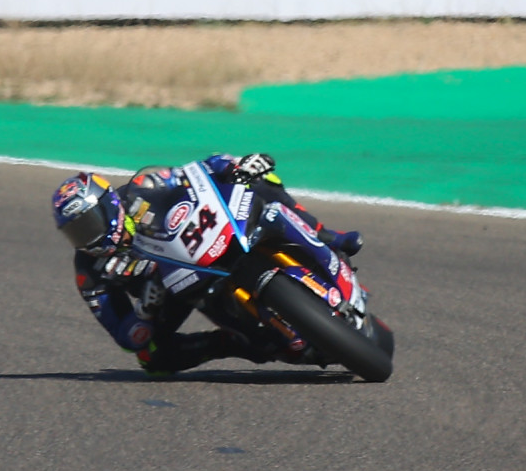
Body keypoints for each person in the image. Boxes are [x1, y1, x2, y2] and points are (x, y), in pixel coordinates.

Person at [53, 153, 363, 375]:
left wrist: (235, 166)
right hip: (171, 293)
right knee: (151, 358)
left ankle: (327, 236)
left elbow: (196, 172)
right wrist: (145, 311)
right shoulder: (89, 272)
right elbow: (126, 337)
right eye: (76, 233)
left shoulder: (144, 188)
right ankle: (234, 342)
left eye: (89, 224)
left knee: (262, 180)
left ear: (108, 205)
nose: (87, 238)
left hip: (200, 242)